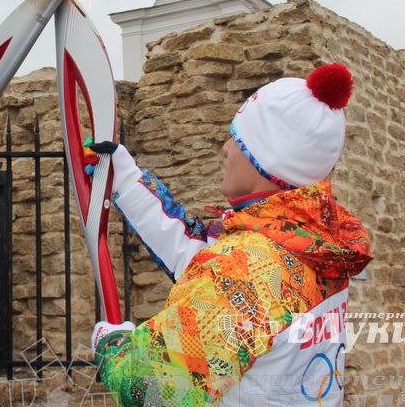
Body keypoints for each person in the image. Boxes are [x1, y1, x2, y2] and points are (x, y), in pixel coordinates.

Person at [89, 63, 373, 406]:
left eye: (237, 139)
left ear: (263, 161)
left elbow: (150, 389)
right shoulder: (311, 241)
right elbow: (197, 255)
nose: (226, 148)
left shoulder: (246, 269)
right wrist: (126, 179)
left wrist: (113, 344)